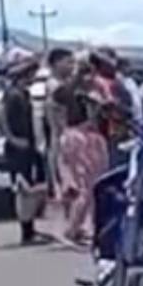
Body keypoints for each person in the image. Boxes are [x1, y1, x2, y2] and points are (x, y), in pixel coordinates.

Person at [2, 54, 51, 246]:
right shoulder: (13, 95)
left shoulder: (22, 93)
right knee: (23, 190)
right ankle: (26, 232)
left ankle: (30, 228)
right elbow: (2, 119)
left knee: (30, 188)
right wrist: (13, 139)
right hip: (18, 146)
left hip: (27, 144)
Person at [55, 88, 109, 246]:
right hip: (83, 143)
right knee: (85, 193)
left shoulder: (76, 124)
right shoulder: (85, 115)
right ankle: (72, 230)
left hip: (82, 141)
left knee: (87, 192)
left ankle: (83, 228)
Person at [44, 48, 76, 198]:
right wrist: (79, 77)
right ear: (56, 64)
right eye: (68, 62)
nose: (72, 66)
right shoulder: (53, 84)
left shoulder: (65, 83)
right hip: (59, 141)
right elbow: (64, 94)